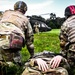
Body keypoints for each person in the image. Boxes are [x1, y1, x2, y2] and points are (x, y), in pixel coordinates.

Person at [22, 5, 75, 75]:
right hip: (51, 60)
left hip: (40, 59)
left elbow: (25, 65)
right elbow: (67, 66)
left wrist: (35, 61)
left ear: (66, 16)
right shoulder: (62, 71)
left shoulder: (66, 24)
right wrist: (61, 58)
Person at [0, 1, 34, 75]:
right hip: (11, 41)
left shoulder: (5, 13)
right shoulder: (25, 19)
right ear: (25, 9)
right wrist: (32, 56)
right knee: (15, 65)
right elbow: (30, 42)